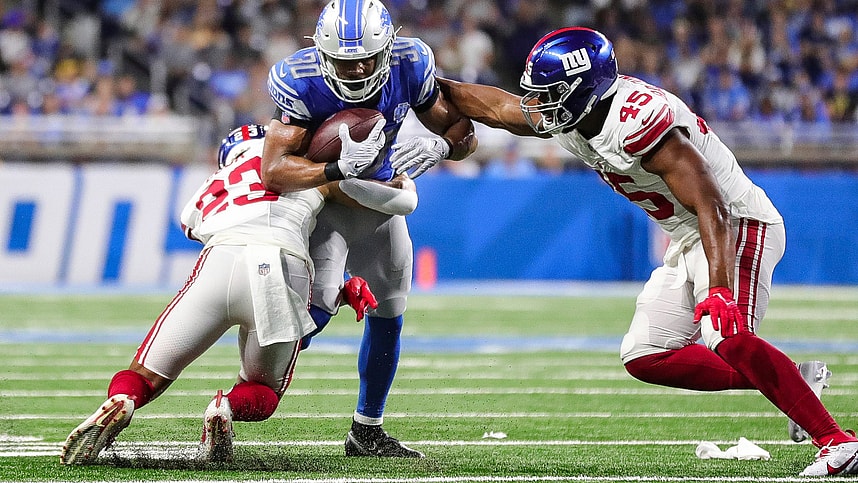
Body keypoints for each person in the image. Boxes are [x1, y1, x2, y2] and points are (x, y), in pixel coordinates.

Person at [433, 27, 858, 477]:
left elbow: (711, 202)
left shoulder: (635, 123)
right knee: (645, 353)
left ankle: (839, 443)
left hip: (734, 225)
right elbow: (501, 108)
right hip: (690, 234)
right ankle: (795, 379)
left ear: (585, 91)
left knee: (724, 333)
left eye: (551, 93)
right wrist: (426, 82)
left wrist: (719, 288)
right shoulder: (578, 114)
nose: (539, 104)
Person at [59, 123, 419, 465]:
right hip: (282, 265)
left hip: (220, 261)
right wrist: (402, 182)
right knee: (262, 390)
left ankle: (124, 399)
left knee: (144, 373)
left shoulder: (215, 181)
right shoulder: (307, 171)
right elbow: (391, 203)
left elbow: (190, 225)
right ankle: (225, 408)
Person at [261, 0, 477, 458]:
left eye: (367, 57)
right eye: (344, 60)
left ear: (388, 48)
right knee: (312, 314)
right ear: (321, 53)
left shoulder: (410, 62)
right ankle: (248, 390)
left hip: (379, 204)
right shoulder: (299, 80)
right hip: (326, 206)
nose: (358, 69)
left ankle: (367, 428)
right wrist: (336, 168)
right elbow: (275, 171)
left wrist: (442, 144)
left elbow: (465, 131)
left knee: (389, 314)